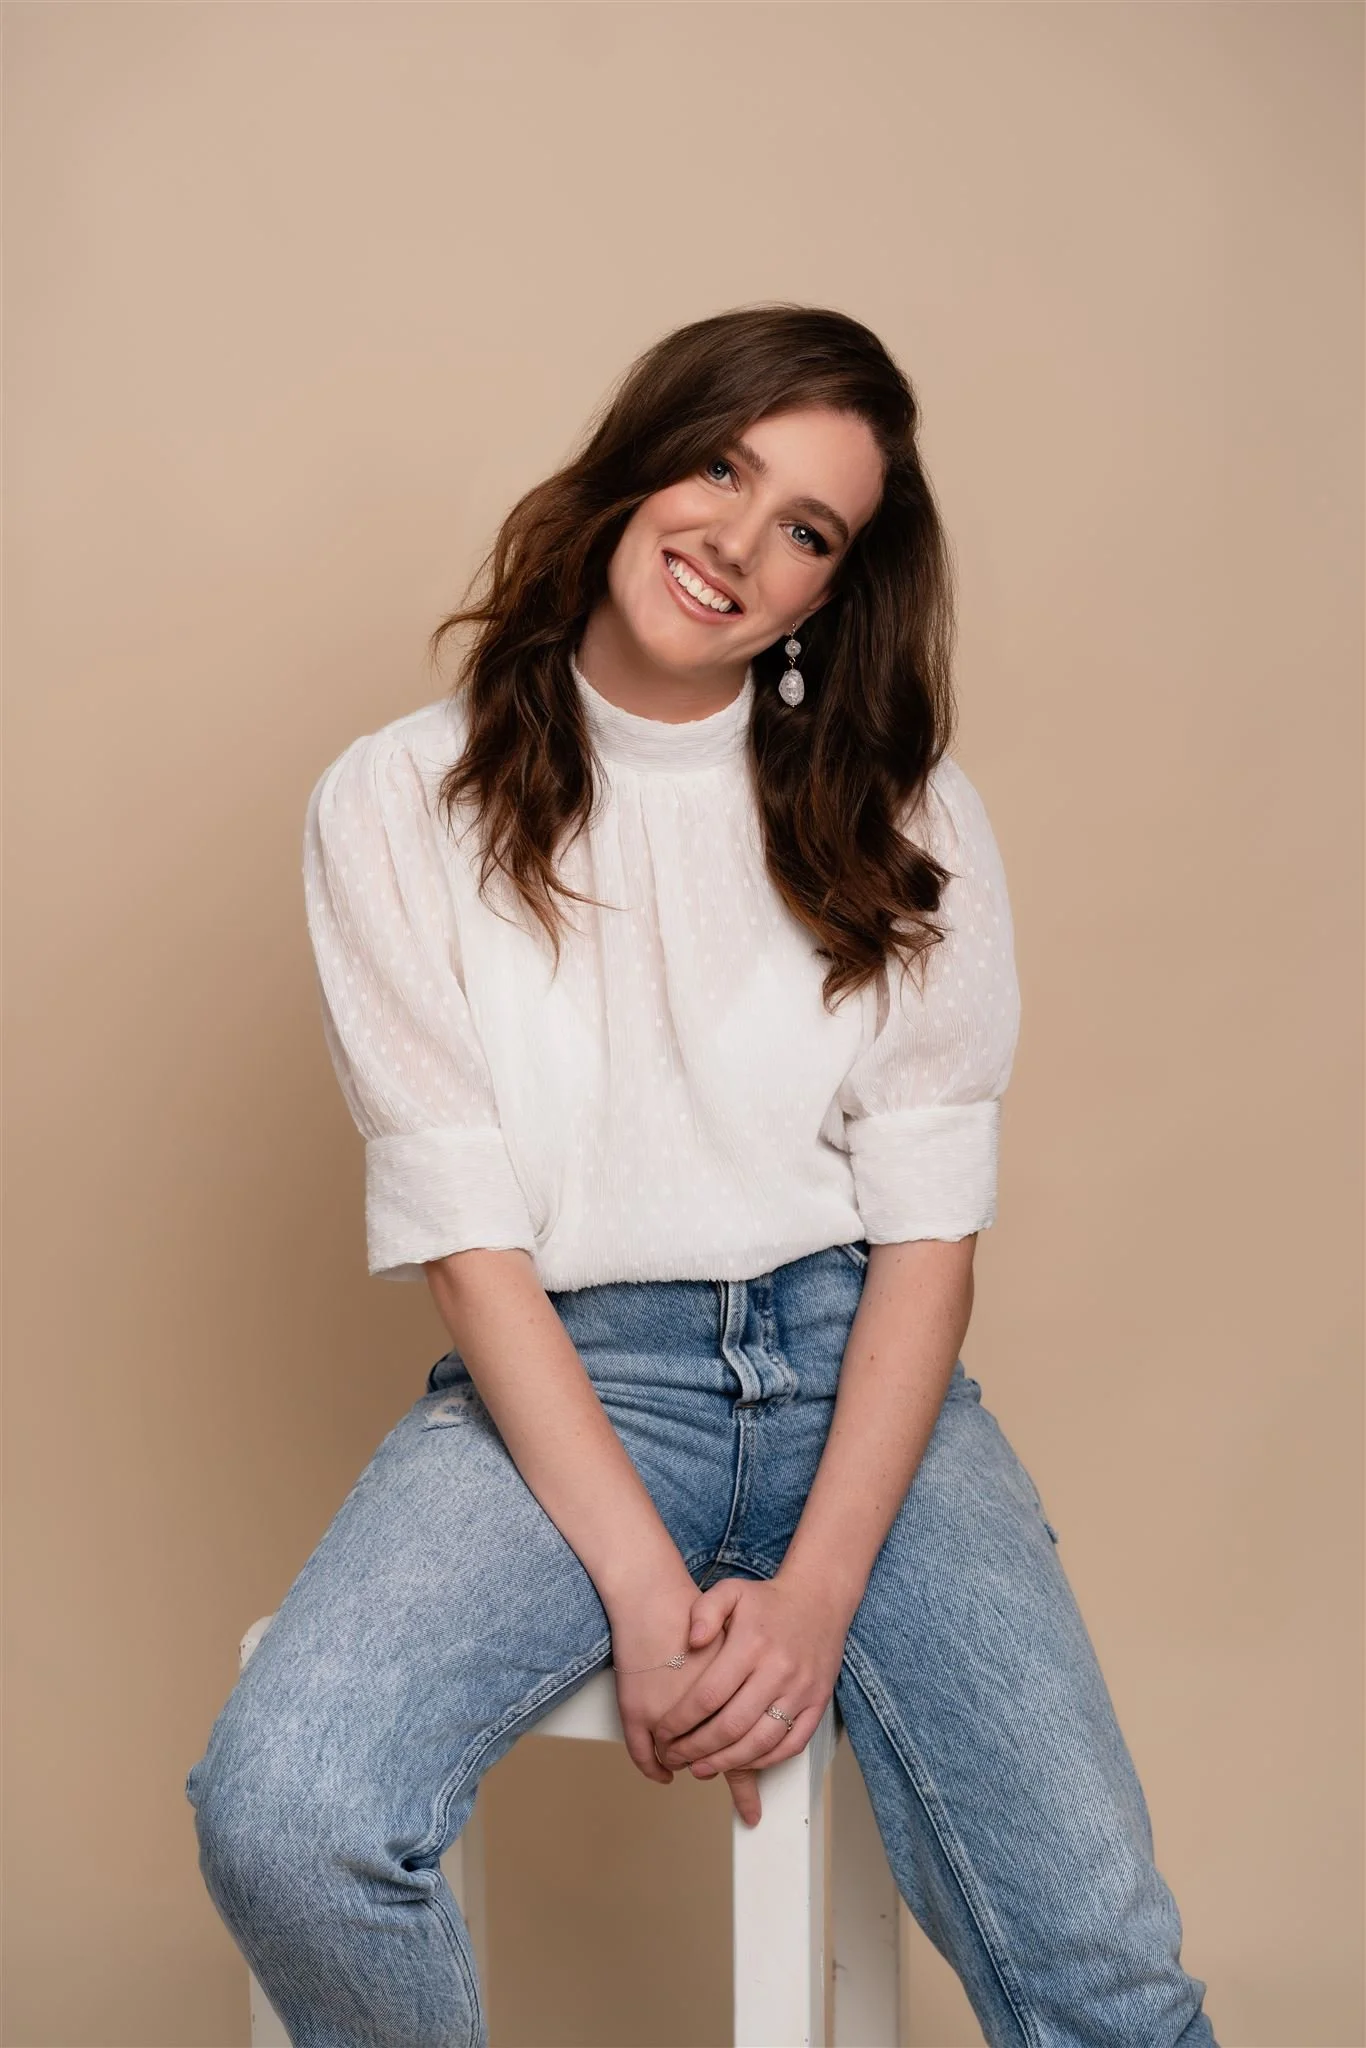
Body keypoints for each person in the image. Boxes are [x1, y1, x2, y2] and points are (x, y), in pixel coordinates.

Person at [185, 304, 1218, 2047]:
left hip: (856, 1376)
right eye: (721, 468)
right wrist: (645, 1596)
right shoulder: (395, 801)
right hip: (570, 1379)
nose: (737, 544)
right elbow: (468, 1240)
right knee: (286, 1815)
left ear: (829, 594)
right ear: (638, 460)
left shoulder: (906, 811)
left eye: (804, 528)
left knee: (1098, 1960)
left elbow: (927, 1240)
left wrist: (814, 1599)